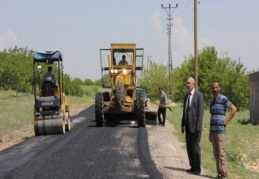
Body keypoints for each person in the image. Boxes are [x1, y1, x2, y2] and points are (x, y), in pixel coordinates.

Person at [209, 80, 237, 179]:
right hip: (213, 131)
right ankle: (219, 173)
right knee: (216, 154)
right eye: (213, 88)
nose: (215, 89)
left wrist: (227, 120)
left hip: (220, 131)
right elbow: (211, 116)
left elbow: (234, 109)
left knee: (221, 153)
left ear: (219, 88)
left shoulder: (224, 99)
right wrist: (209, 133)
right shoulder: (211, 101)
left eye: (216, 87)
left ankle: (224, 175)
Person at [181, 77, 204, 175]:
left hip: (195, 127)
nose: (187, 85)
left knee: (195, 148)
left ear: (193, 84)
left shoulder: (199, 95)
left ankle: (197, 168)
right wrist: (182, 124)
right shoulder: (186, 96)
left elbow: (201, 111)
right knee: (189, 147)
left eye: (189, 83)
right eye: (186, 83)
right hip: (187, 126)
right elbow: (184, 111)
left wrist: (198, 124)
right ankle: (192, 166)